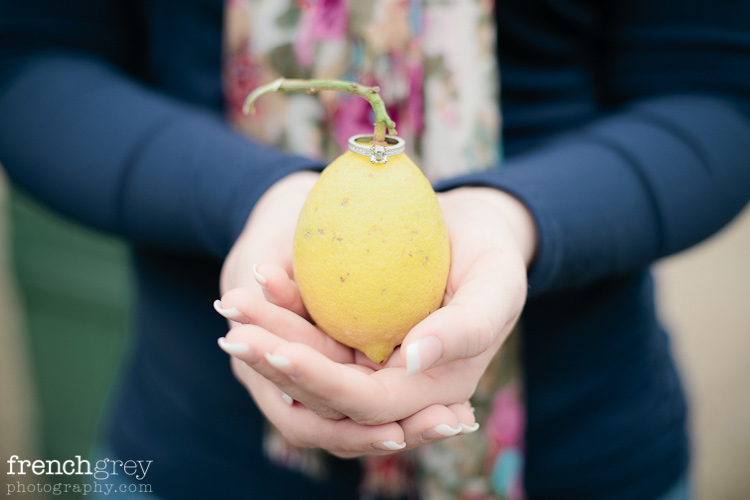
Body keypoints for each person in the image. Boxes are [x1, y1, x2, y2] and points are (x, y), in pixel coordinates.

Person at [0, 1, 748, 499]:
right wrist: (250, 197)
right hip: (197, 457)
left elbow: (715, 95)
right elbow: (32, 65)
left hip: (583, 456)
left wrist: (516, 219)